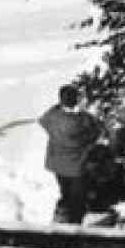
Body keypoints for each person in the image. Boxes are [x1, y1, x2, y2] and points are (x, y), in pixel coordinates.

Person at [40, 83, 97, 223]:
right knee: (77, 200)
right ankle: (74, 224)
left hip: (57, 166)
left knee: (65, 193)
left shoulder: (53, 117)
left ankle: (61, 217)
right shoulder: (79, 121)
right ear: (75, 100)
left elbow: (43, 119)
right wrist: (83, 112)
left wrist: (60, 106)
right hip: (75, 167)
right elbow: (95, 131)